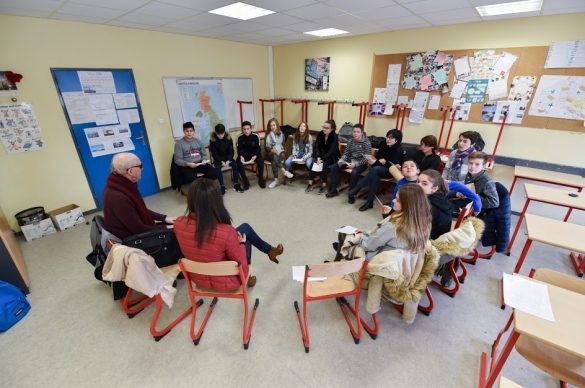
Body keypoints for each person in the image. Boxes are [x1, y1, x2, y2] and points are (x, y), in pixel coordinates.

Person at [174, 179, 284, 290]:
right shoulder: (226, 231)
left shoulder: (178, 224)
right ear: (216, 201)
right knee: (245, 236)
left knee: (244, 229)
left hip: (198, 279)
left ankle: (270, 251)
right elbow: (240, 262)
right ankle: (249, 276)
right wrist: (241, 244)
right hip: (227, 282)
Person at [103, 152, 176, 239]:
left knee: (175, 224)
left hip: (135, 229)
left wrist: (164, 218)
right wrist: (168, 228)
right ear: (130, 171)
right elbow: (139, 230)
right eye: (140, 166)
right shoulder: (119, 197)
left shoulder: (121, 184)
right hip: (132, 238)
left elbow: (139, 209)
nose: (142, 169)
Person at [348, 128, 406, 211]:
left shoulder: (398, 150)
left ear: (397, 140)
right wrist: (379, 162)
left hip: (390, 171)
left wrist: (378, 162)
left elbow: (390, 165)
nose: (388, 139)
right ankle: (369, 202)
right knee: (376, 175)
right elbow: (378, 158)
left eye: (391, 138)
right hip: (378, 168)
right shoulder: (383, 143)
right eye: (387, 137)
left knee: (376, 169)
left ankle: (357, 188)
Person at [326, 123, 372, 198]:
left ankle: (351, 194)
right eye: (354, 131)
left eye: (358, 132)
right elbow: (346, 153)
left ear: (362, 133)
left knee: (354, 172)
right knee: (334, 167)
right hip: (350, 161)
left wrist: (356, 164)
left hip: (361, 163)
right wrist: (342, 159)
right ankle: (334, 190)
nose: (355, 133)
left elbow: (367, 159)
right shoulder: (350, 141)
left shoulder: (366, 142)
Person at [306, 119, 340, 194]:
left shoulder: (335, 136)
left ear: (332, 129)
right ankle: (310, 183)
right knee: (313, 163)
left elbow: (332, 151)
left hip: (331, 156)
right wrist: (318, 157)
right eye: (323, 127)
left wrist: (322, 159)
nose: (324, 129)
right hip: (321, 155)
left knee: (323, 165)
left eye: (327, 128)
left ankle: (324, 184)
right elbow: (317, 146)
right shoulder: (320, 134)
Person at [209, 124, 240, 194]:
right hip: (218, 159)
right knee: (217, 168)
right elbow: (214, 154)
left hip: (228, 158)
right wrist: (221, 161)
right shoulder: (212, 140)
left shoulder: (228, 138)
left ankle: (236, 184)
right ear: (215, 132)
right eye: (218, 134)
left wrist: (229, 160)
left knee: (235, 165)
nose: (220, 136)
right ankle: (222, 186)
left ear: (224, 132)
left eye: (222, 134)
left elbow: (231, 151)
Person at [236, 121, 265, 189]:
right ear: (242, 129)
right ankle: (245, 181)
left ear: (251, 129)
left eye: (248, 129)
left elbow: (258, 149)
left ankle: (261, 179)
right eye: (244, 129)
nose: (246, 131)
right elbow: (239, 149)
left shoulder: (256, 136)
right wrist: (241, 156)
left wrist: (255, 156)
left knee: (261, 160)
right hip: (244, 155)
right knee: (237, 163)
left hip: (254, 154)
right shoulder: (239, 137)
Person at [264, 117, 288, 189]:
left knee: (275, 160)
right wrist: (271, 149)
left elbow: (283, 144)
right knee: (274, 156)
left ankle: (276, 180)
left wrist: (283, 151)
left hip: (279, 153)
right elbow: (266, 148)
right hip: (269, 154)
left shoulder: (281, 134)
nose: (272, 127)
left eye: (274, 125)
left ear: (277, 125)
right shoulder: (267, 135)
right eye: (271, 126)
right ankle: (284, 171)